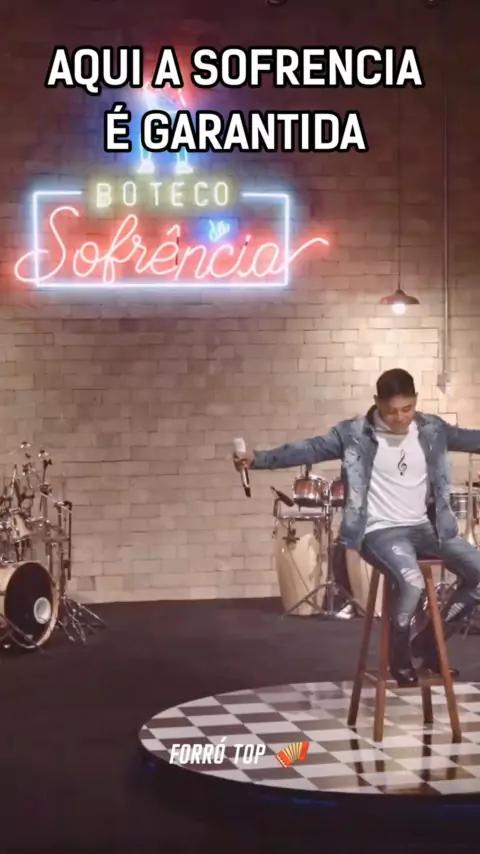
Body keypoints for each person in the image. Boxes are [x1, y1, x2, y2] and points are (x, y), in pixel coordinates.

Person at [233, 368, 480, 687]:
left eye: (407, 409)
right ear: (377, 402)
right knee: (412, 583)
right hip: (379, 530)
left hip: (425, 527)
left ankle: (430, 642)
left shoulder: (432, 428)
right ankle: (400, 656)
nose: (400, 418)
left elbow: (472, 439)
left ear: (416, 401)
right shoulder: (353, 433)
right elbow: (308, 449)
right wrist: (257, 459)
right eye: (391, 410)